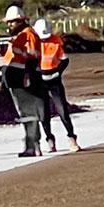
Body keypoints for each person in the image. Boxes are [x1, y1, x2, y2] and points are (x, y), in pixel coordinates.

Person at [0, 6, 47, 158]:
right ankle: (32, 145)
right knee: (26, 113)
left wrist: (27, 76)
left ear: (20, 21)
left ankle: (32, 145)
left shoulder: (28, 35)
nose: (9, 25)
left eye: (12, 22)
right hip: (18, 79)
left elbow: (31, 57)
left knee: (28, 113)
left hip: (24, 79)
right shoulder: (20, 36)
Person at [33, 19, 80, 152]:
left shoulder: (55, 41)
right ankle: (50, 140)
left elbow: (64, 60)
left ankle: (72, 139)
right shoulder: (32, 43)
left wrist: (58, 72)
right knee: (43, 114)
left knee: (62, 111)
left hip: (54, 81)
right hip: (40, 82)